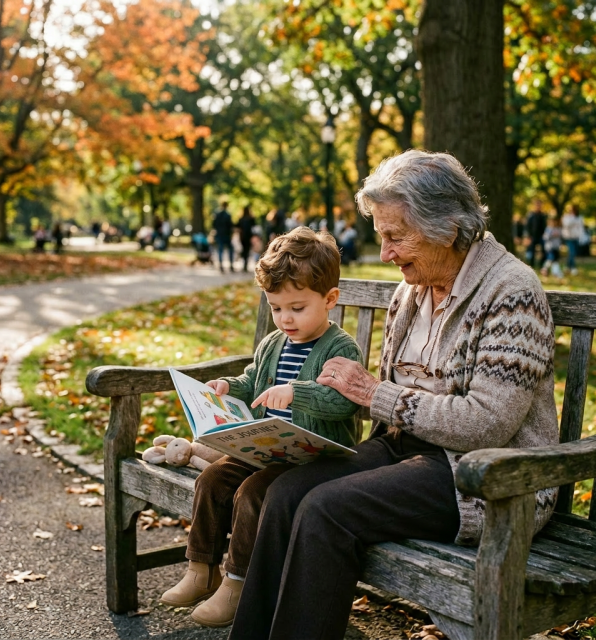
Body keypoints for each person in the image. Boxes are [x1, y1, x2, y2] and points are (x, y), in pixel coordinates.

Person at [229, 150, 559, 640]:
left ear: (448, 227)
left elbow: (486, 423)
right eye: (381, 234)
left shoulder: (511, 292)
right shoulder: (413, 288)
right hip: (406, 451)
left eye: (395, 236)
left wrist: (372, 392)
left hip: (483, 473)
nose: (384, 252)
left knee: (326, 509)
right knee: (282, 493)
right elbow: (386, 403)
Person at [160, 226, 364, 628]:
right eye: (276, 308)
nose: (285, 318)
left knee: (253, 493)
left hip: (314, 459)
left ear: (330, 300)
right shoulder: (273, 344)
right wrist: (227, 387)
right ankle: (201, 570)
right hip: (267, 450)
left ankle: (238, 585)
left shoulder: (341, 348)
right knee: (213, 480)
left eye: (297, 308)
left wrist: (297, 393)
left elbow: (343, 402)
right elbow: (252, 380)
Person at [561, 204, 585, 274]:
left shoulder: (579, 218)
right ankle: (573, 267)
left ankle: (568, 266)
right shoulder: (566, 217)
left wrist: (581, 237)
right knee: (572, 252)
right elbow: (567, 225)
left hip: (576, 237)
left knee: (572, 253)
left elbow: (581, 228)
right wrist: (572, 218)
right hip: (569, 237)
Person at [525, 199, 547, 268]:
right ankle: (532, 265)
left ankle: (542, 264)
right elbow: (528, 226)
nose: (538, 206)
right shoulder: (531, 216)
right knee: (532, 251)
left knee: (544, 250)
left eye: (539, 205)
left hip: (541, 236)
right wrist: (528, 236)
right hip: (533, 236)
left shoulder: (543, 216)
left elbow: (545, 226)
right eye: (537, 205)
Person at [213, 201, 235, 272]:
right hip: (226, 235)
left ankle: (221, 265)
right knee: (230, 250)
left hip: (219, 234)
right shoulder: (227, 215)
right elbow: (230, 226)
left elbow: (214, 224)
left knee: (220, 250)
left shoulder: (217, 214)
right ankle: (231, 265)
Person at [237, 205, 256, 272]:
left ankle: (244, 264)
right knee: (247, 251)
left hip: (242, 237)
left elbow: (238, 228)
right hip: (249, 237)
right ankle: (245, 264)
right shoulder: (251, 219)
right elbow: (254, 228)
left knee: (244, 250)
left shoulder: (241, 219)